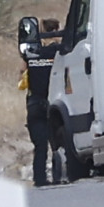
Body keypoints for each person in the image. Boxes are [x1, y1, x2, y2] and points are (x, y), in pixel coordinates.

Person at [20, 18, 62, 186]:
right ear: (58, 30)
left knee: (40, 146)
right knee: (59, 144)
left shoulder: (31, 53)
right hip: (56, 104)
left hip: (35, 103)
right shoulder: (60, 52)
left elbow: (22, 73)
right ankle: (61, 175)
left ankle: (40, 179)